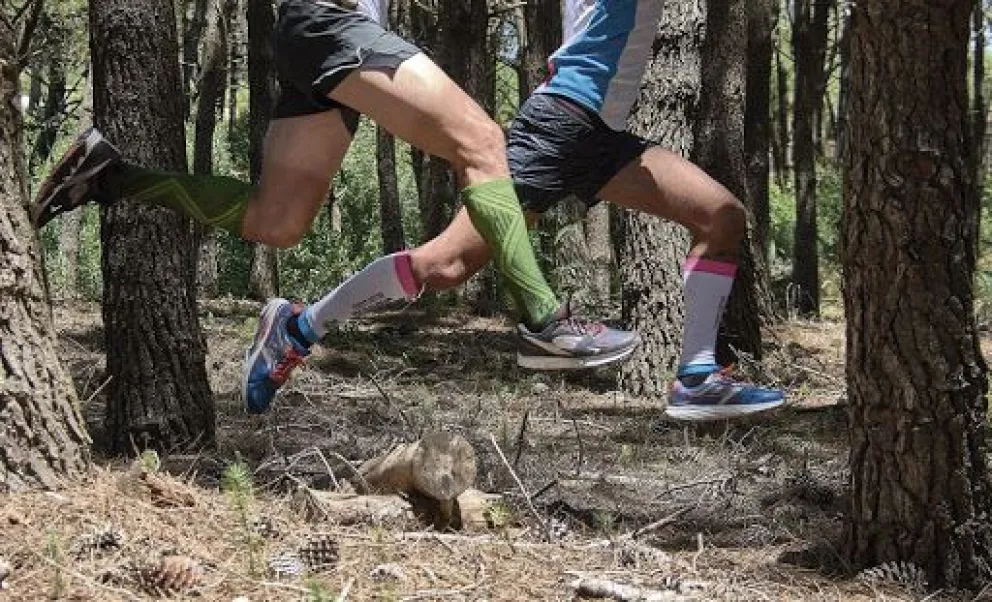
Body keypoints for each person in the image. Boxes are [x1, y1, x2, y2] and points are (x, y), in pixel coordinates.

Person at [30, 0, 638, 414]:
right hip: (332, 23)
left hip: (312, 34)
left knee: (278, 221)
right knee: (482, 142)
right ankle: (544, 321)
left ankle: (109, 175)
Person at [394, 0, 786, 421]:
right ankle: (312, 326)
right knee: (445, 265)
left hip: (602, 140)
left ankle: (697, 380)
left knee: (721, 215)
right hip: (556, 127)